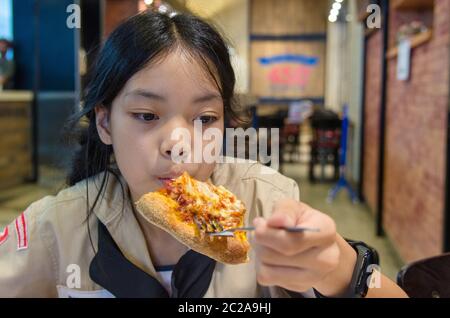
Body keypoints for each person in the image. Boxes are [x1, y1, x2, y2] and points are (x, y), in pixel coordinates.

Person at [0, 11, 407, 298]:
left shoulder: (266, 202)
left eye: (205, 117)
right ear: (105, 123)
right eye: (146, 115)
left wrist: (339, 269)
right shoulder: (57, 226)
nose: (179, 141)